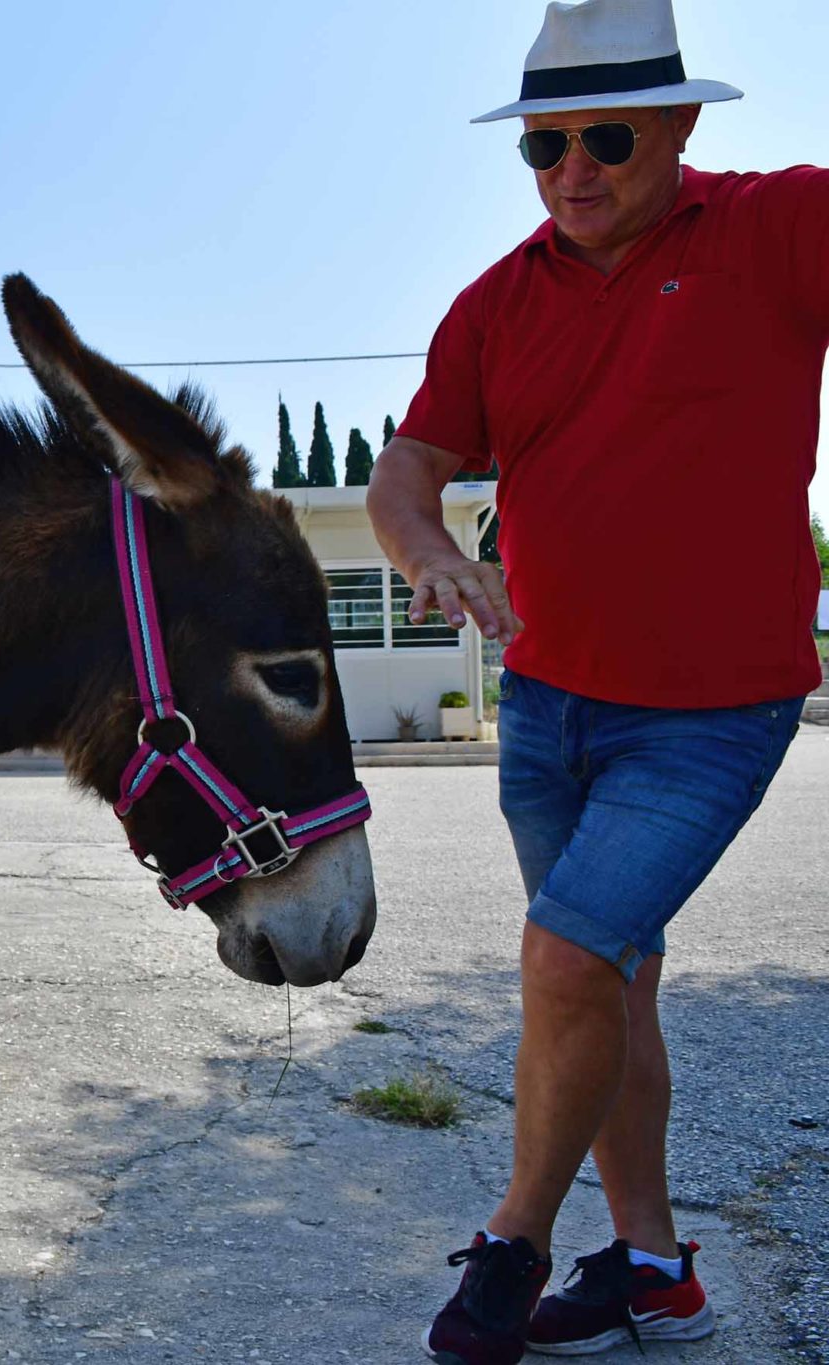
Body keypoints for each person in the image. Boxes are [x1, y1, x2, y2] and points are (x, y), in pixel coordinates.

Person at [365, 2, 824, 1361]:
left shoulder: (775, 231)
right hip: (549, 707)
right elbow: (406, 471)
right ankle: (655, 1265)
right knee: (607, 982)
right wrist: (430, 548)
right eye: (546, 144)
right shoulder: (495, 304)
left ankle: (512, 1241)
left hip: (710, 716)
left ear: (682, 126)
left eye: (610, 136)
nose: (574, 167)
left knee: (568, 954)